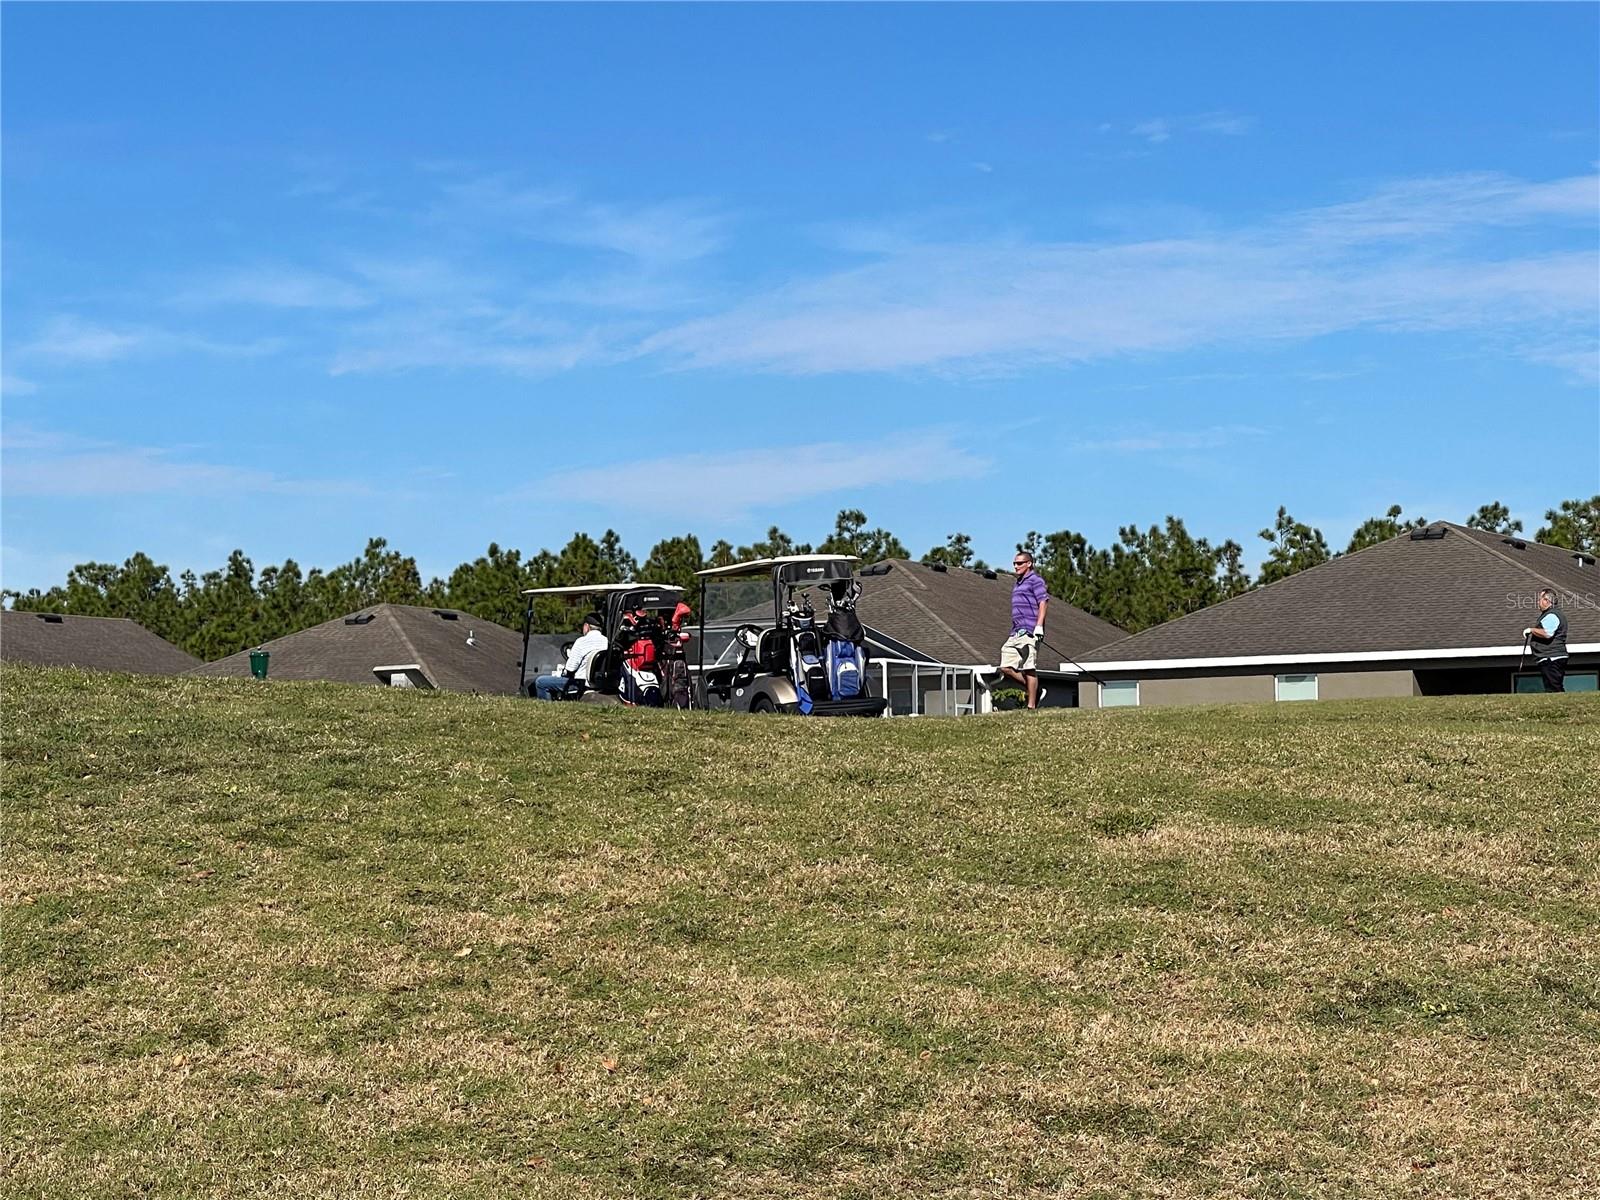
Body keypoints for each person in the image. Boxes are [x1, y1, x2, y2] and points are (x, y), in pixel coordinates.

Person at [1000, 549, 1049, 710]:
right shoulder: (1018, 582)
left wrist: (1039, 626)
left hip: (1030, 630)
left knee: (1029, 668)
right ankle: (1036, 689)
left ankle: (1031, 706)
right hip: (1016, 632)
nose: (1016, 566)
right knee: (1005, 667)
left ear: (1029, 564)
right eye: (1014, 563)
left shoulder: (1035, 580)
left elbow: (1043, 602)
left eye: (1019, 563)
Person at [533, 612, 608, 701]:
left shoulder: (582, 641)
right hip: (597, 682)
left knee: (541, 682)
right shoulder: (606, 641)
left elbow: (570, 669)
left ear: (586, 626)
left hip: (579, 683)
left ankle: (547, 709)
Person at [1523, 588, 1568, 692]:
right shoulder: (1551, 614)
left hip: (1552, 658)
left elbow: (1548, 633)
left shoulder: (1552, 615)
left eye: (1540, 599)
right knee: (1552, 686)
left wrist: (1531, 630)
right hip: (1551, 657)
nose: (1538, 602)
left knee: (1554, 688)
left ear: (1547, 601)